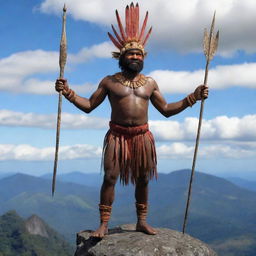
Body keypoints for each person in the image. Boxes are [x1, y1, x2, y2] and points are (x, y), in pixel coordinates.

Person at [55, 3, 208, 238]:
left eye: (139, 54)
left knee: (143, 179)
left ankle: (142, 221)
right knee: (110, 177)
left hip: (142, 137)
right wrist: (69, 93)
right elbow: (89, 106)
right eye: (131, 53)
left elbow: (166, 109)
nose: (135, 56)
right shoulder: (109, 81)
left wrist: (192, 98)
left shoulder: (150, 83)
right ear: (122, 57)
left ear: (143, 58)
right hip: (116, 137)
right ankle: (104, 224)